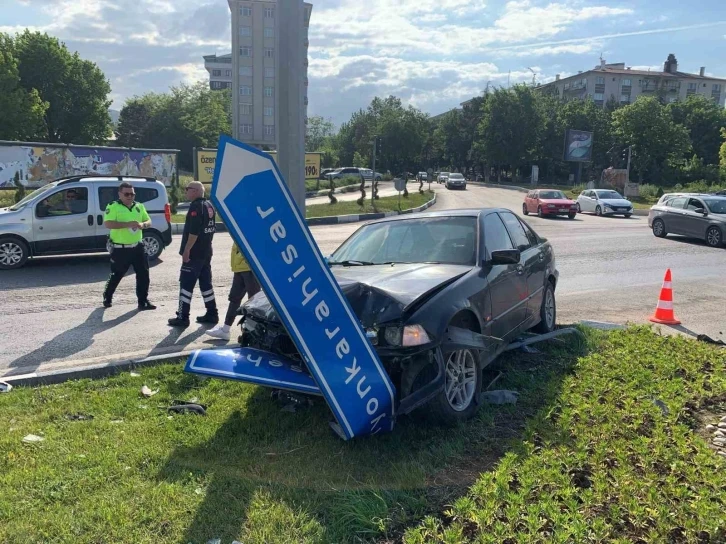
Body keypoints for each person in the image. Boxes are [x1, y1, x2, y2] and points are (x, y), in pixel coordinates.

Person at [168, 181, 218, 327]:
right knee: (206, 284)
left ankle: (183, 317)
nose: (185, 192)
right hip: (206, 252)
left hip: (194, 253)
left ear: (195, 191)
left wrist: (187, 249)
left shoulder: (196, 207)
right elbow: (210, 229)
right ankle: (212, 313)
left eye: (187, 189)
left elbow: (194, 231)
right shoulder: (209, 206)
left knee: (186, 285)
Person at [102, 182, 156, 310]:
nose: (130, 196)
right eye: (127, 194)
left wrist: (143, 225)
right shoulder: (113, 206)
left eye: (132, 194)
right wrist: (127, 224)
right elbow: (108, 224)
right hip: (120, 248)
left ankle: (143, 301)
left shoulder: (139, 206)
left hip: (138, 246)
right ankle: (107, 296)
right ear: (119, 194)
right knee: (117, 274)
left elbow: (149, 221)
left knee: (143, 274)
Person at [206, 242, 261, 340]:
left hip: (250, 267)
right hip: (240, 267)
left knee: (253, 301)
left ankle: (252, 333)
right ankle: (225, 330)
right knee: (234, 298)